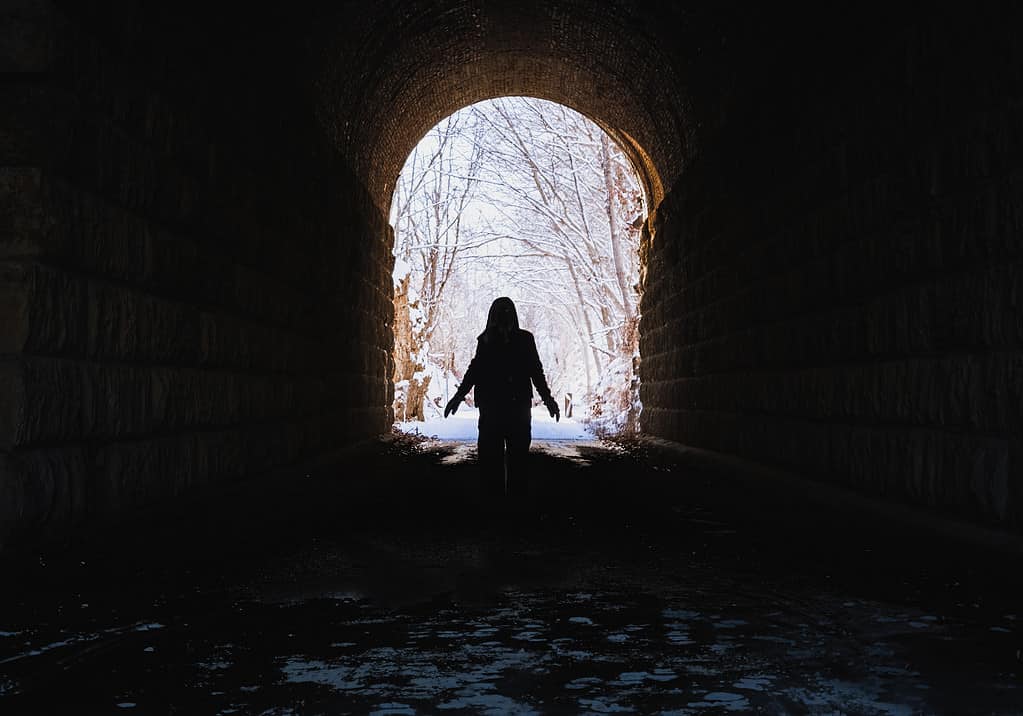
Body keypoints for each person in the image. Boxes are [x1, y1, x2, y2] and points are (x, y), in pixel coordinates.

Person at [443, 296, 559, 498]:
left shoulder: (488, 340)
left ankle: (498, 509)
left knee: (498, 461)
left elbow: (475, 371)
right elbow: (535, 372)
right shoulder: (519, 340)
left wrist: (459, 396)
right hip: (512, 409)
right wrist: (548, 400)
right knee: (511, 461)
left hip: (496, 410)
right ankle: (510, 508)